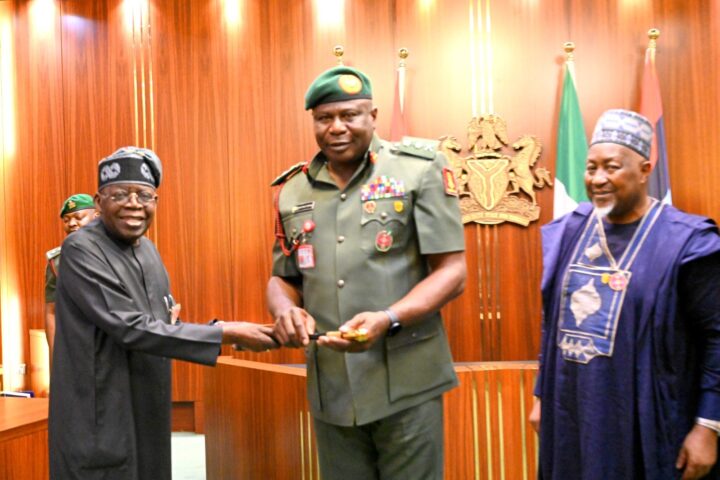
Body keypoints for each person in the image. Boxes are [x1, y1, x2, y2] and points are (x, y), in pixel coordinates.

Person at [267, 66, 467, 479]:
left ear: (373, 115)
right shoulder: (293, 191)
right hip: (333, 386)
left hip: (407, 379)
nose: (337, 128)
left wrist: (387, 317)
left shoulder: (418, 169)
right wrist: (284, 310)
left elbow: (452, 271)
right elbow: (283, 277)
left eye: (350, 115)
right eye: (325, 118)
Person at [49, 147, 279, 480]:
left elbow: (161, 323)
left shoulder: (148, 249)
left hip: (148, 402)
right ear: (99, 203)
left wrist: (221, 330)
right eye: (120, 194)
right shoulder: (82, 248)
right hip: (100, 409)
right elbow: (130, 328)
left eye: (144, 195)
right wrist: (224, 333)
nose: (133, 204)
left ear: (155, 202)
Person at [530, 109, 720, 479]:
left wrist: (708, 425)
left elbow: (718, 338)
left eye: (612, 167)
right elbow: (551, 321)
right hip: (570, 413)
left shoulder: (688, 243)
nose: (598, 179)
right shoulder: (569, 232)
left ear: (645, 170)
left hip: (650, 418)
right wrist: (541, 395)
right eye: (591, 167)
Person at [45, 193, 98, 361]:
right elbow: (51, 312)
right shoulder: (57, 262)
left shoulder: (116, 253)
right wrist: (55, 358)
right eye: (66, 220)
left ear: (96, 216)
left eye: (78, 217)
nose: (72, 223)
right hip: (76, 346)